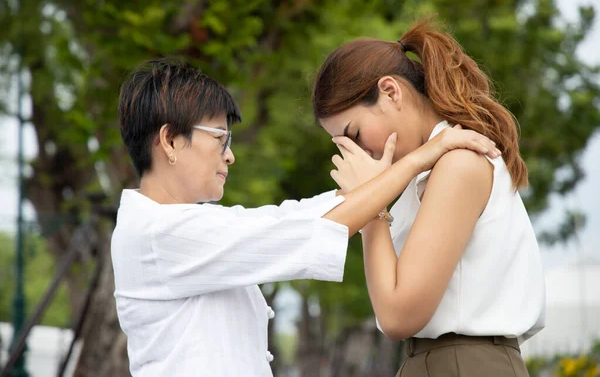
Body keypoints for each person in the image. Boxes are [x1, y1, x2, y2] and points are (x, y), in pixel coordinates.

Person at [111, 58, 499, 376]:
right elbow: (298, 229)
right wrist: (419, 160)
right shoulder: (161, 235)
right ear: (171, 140)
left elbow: (286, 219)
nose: (229, 156)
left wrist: (368, 186)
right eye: (219, 138)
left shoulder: (181, 227)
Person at [312, 18, 545, 377]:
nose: (358, 153)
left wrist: (371, 208)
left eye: (355, 134)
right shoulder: (422, 174)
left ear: (391, 92)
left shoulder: (458, 164)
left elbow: (397, 315)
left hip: (465, 363)